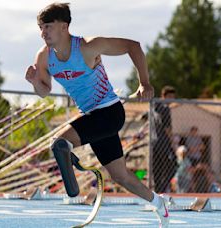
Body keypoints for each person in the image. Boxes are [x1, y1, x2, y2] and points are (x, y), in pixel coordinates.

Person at [25, 3, 169, 227]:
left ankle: (72, 191)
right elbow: (45, 91)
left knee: (59, 143)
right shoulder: (44, 57)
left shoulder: (88, 47)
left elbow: (134, 46)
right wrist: (35, 82)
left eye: (48, 27)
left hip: (110, 112)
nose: (43, 33)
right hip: (92, 117)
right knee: (120, 176)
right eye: (41, 28)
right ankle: (159, 203)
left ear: (64, 26)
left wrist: (144, 82)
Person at [151, 85, 178, 193]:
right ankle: (161, 188)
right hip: (163, 143)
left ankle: (158, 189)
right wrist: (173, 143)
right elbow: (167, 128)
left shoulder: (154, 106)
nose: (172, 99)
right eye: (170, 97)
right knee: (172, 165)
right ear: (164, 96)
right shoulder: (165, 108)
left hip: (154, 143)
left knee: (158, 168)